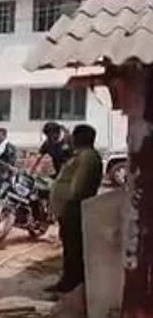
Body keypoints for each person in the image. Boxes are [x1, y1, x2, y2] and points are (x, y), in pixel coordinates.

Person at [46, 124, 103, 295]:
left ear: (80, 138)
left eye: (72, 136)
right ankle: (68, 280)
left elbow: (78, 187)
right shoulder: (79, 155)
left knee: (74, 248)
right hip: (68, 209)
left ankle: (72, 284)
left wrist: (67, 202)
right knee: (69, 246)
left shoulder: (87, 157)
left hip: (74, 209)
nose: (69, 138)